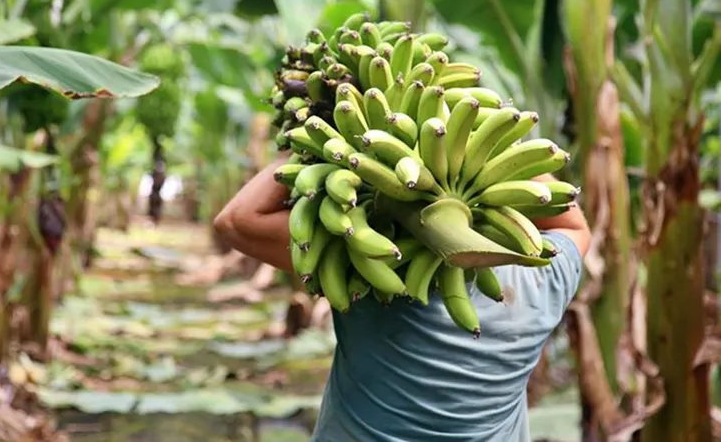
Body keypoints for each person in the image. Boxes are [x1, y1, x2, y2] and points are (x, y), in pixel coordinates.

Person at [215, 153, 590, 442]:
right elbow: (573, 223)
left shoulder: (367, 265)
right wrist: (502, 147)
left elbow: (236, 220)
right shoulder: (544, 277)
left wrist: (316, 137)